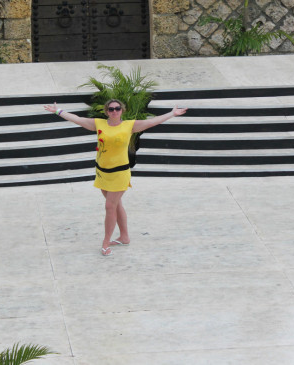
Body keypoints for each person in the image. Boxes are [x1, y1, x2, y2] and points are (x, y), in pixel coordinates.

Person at [44, 99, 187, 256]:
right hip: (102, 172)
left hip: (120, 173)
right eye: (111, 109)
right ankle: (124, 237)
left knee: (109, 206)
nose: (114, 111)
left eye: (117, 108)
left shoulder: (129, 125)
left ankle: (105, 242)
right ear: (107, 111)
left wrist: (172, 114)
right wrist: (58, 111)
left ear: (122, 110)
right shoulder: (99, 124)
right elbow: (78, 119)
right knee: (116, 205)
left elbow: (152, 122)